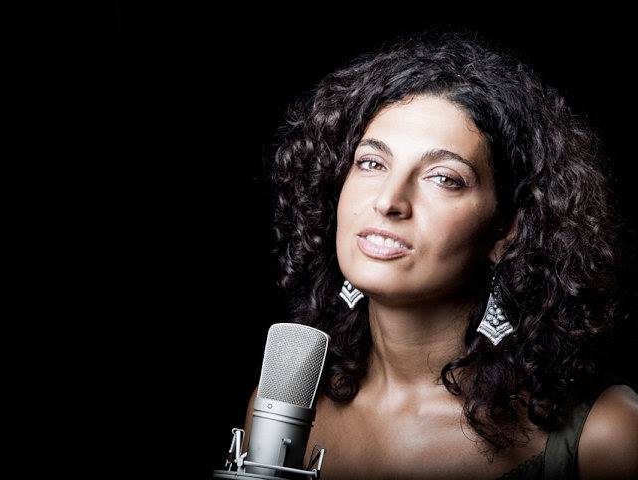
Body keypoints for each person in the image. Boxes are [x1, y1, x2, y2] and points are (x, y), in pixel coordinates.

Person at [241, 30, 638, 479]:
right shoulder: (277, 409)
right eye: (371, 163)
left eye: (443, 178)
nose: (389, 201)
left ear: (507, 228)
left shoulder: (608, 434)